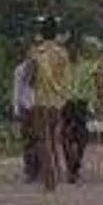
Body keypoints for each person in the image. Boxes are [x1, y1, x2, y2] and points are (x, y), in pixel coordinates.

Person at [26, 15, 72, 193]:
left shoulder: (36, 53)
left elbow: (29, 79)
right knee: (54, 139)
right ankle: (58, 172)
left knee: (42, 140)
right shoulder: (63, 53)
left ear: (41, 33)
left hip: (41, 101)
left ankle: (50, 178)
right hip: (58, 102)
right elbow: (66, 79)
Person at [61, 34, 99, 183]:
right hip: (66, 103)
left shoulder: (86, 67)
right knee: (65, 136)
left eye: (74, 49)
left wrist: (91, 106)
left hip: (81, 104)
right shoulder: (62, 67)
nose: (72, 52)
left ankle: (76, 164)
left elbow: (91, 87)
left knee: (82, 137)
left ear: (78, 50)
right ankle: (70, 167)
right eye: (69, 49)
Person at [11, 50, 38, 183]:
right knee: (28, 140)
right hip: (26, 108)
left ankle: (36, 168)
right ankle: (29, 169)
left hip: (39, 108)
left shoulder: (41, 71)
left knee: (37, 139)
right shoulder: (20, 70)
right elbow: (16, 90)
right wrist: (16, 109)